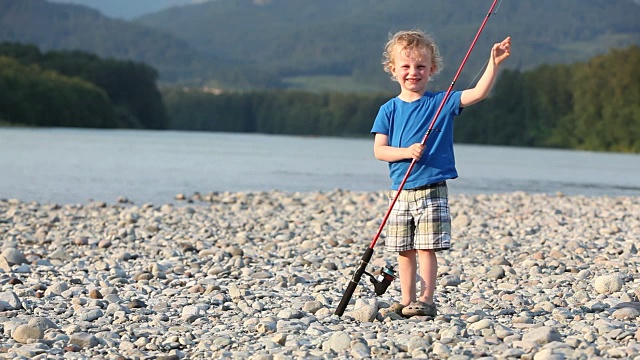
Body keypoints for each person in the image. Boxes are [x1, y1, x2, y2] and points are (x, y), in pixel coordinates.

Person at [371, 30, 511, 317]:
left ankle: (426, 299)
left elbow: (478, 93)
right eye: (406, 67)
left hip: (432, 189)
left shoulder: (441, 101)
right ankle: (406, 299)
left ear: (432, 70)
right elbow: (380, 151)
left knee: (426, 248)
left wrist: (493, 64)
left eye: (421, 66)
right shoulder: (388, 109)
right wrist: (406, 152)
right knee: (403, 250)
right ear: (393, 69)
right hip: (400, 191)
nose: (413, 72)